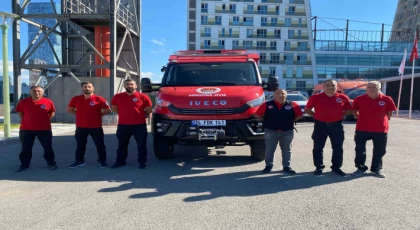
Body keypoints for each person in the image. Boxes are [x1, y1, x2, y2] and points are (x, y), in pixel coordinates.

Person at [304, 79, 352, 176]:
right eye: (327, 85)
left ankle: (336, 167)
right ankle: (319, 167)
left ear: (336, 86)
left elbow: (349, 110)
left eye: (332, 85)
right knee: (318, 147)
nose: (330, 87)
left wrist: (341, 115)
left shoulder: (343, 97)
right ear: (323, 86)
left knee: (338, 148)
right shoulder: (315, 97)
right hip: (320, 125)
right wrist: (317, 116)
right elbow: (307, 110)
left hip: (336, 126)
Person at [352, 81, 396, 178]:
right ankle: (360, 168)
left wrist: (381, 120)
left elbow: (389, 113)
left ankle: (376, 168)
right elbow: (355, 112)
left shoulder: (387, 99)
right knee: (360, 149)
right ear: (366, 89)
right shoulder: (359, 99)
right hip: (362, 128)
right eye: (369, 87)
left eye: (374, 87)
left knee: (380, 150)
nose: (371, 89)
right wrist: (362, 119)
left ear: (379, 88)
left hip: (380, 129)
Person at [254, 88, 303, 174]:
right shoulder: (267, 104)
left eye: (282, 93)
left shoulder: (293, 104)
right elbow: (257, 115)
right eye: (278, 93)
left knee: (287, 149)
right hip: (271, 131)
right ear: (274, 94)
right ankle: (268, 166)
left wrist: (291, 120)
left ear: (286, 95)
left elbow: (299, 115)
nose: (280, 95)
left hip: (287, 131)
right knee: (270, 149)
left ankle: (286, 166)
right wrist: (265, 120)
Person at [67, 81, 111, 168]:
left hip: (96, 127)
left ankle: (102, 161)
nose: (87, 88)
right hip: (81, 127)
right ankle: (79, 161)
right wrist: (80, 114)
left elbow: (108, 110)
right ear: (82, 88)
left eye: (89, 87)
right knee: (80, 145)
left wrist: (98, 115)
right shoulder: (76, 99)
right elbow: (70, 109)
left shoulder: (99, 99)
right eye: (85, 87)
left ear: (93, 88)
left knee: (100, 145)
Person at [110, 79, 153, 169]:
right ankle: (120, 161)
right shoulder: (117, 97)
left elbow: (149, 109)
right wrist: (124, 114)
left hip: (139, 125)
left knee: (141, 145)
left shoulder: (143, 96)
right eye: (127, 84)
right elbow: (114, 108)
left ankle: (142, 162)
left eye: (131, 84)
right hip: (123, 125)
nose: (129, 86)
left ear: (136, 86)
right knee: (122, 145)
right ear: (124, 86)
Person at [14, 86, 57, 172]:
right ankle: (24, 165)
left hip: (44, 129)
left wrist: (44, 120)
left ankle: (51, 163)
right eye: (34, 91)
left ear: (42, 92)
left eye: (39, 91)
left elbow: (51, 113)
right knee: (26, 148)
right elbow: (20, 114)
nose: (37, 93)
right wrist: (28, 121)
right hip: (26, 129)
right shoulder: (23, 102)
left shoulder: (48, 102)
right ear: (30, 92)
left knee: (47, 147)